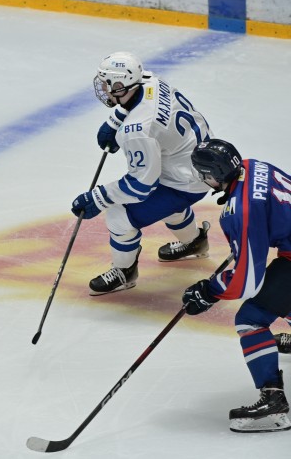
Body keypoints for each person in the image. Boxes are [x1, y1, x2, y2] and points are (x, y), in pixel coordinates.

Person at [71, 51, 212, 295]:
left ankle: (124, 272)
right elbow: (142, 102)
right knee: (169, 206)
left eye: (108, 83)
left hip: (185, 179)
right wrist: (115, 120)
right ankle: (195, 241)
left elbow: (140, 185)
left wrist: (97, 198)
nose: (103, 88)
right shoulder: (149, 80)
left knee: (118, 217)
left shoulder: (137, 131)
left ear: (120, 85)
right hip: (198, 159)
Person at [182, 138, 291, 433]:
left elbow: (246, 282)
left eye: (203, 174)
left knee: (251, 318)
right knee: (281, 293)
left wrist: (209, 290)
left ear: (215, 174)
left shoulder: (240, 209)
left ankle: (274, 403)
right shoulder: (252, 166)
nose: (202, 179)